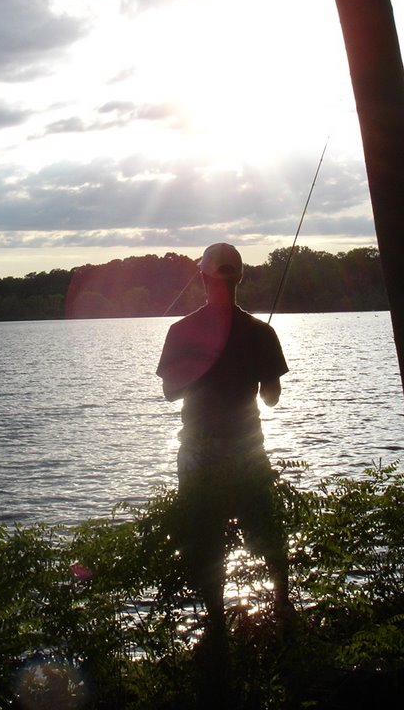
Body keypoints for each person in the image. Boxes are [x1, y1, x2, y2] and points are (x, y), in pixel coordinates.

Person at [156, 242, 293, 647]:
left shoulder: (180, 331)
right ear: (241, 276)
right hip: (248, 447)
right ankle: (282, 608)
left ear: (202, 276)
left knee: (204, 533)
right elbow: (271, 398)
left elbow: (169, 393)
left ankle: (216, 625)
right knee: (265, 526)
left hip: (199, 450)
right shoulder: (261, 332)